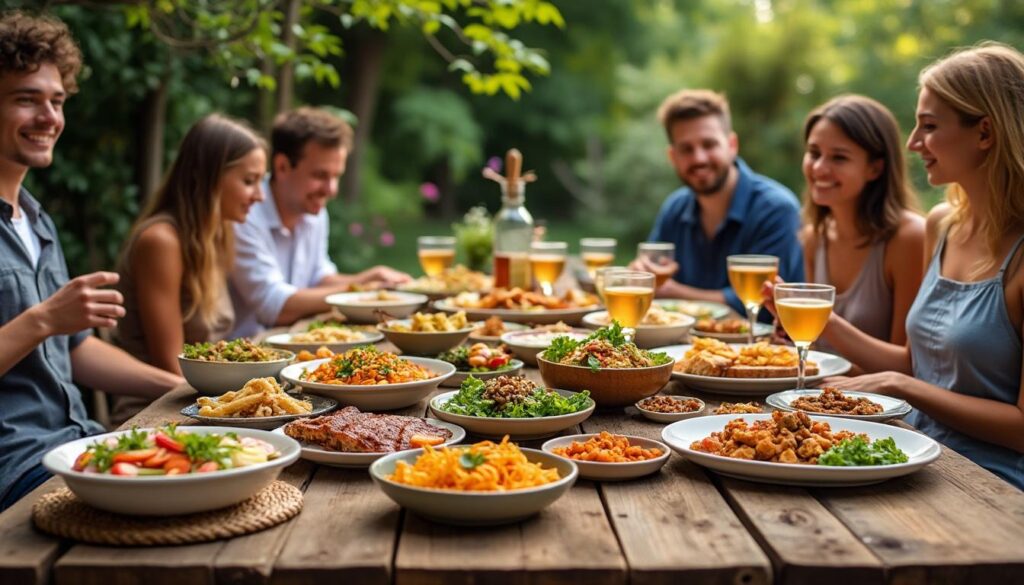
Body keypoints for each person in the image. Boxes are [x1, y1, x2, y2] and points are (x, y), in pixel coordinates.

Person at [821, 43, 1024, 490]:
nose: (913, 143)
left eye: (928, 127)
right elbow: (918, 363)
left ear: (985, 133)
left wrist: (901, 386)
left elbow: (1020, 428)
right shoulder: (943, 225)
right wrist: (824, 322)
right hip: (905, 452)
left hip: (991, 483)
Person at [0, 11, 181, 511]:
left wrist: (186, 387)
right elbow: (50, 327)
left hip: (83, 442)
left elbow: (76, 350)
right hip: (17, 469)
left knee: (239, 463)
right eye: (26, 100)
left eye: (56, 101)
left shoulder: (36, 221)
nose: (50, 117)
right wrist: (42, 319)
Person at [110, 114, 266, 423]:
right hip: (157, 414)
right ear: (205, 177)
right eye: (249, 181)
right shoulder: (161, 241)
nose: (259, 195)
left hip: (204, 403)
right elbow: (172, 365)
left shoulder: (215, 236)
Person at [229, 107, 410, 338]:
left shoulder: (311, 209)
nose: (331, 190)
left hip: (288, 341)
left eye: (336, 176)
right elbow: (275, 308)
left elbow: (318, 278)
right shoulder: (245, 212)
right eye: (320, 176)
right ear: (282, 166)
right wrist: (361, 291)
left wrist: (372, 278)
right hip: (244, 354)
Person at [771, 95, 925, 356]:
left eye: (839, 158)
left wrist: (823, 322)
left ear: (875, 169)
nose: (819, 168)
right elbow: (819, 348)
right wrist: (792, 339)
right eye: (814, 153)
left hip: (876, 396)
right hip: (826, 392)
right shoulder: (813, 237)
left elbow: (909, 364)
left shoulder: (910, 238)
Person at [635, 89, 804, 315]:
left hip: (762, 348)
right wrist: (640, 273)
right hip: (681, 346)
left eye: (709, 144)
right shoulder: (674, 208)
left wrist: (673, 292)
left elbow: (764, 303)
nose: (699, 158)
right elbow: (647, 278)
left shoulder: (776, 208)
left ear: (732, 145)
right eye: (686, 149)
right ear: (672, 157)